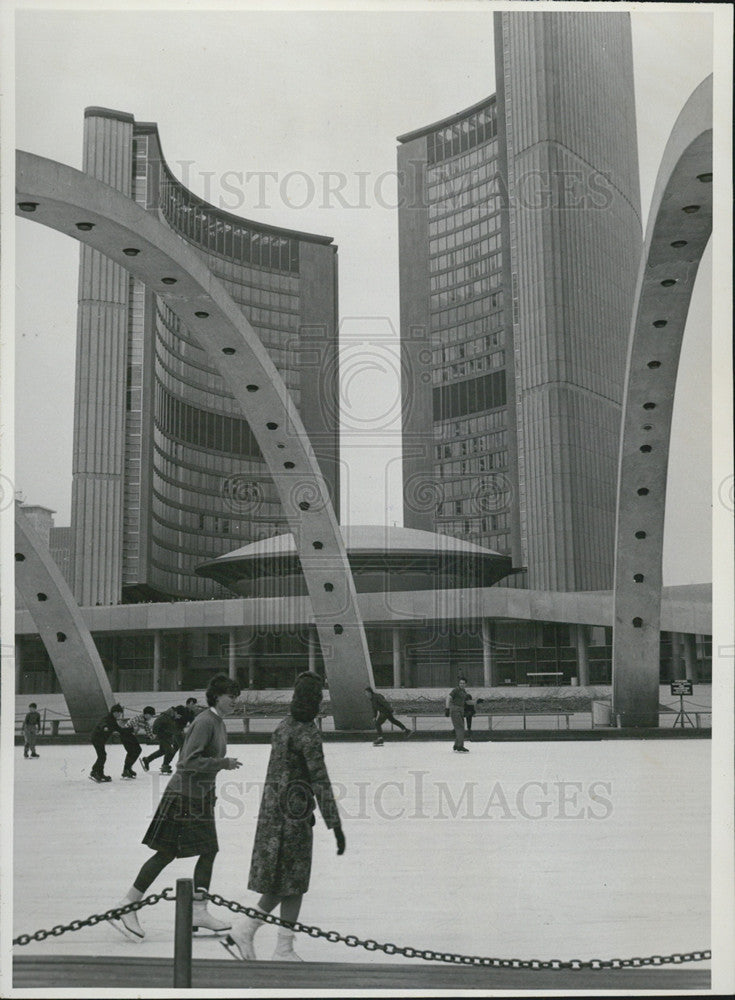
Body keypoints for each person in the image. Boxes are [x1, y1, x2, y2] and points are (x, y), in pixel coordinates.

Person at [111, 674, 242, 940]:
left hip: (197, 797)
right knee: (171, 852)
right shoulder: (206, 721)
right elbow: (188, 763)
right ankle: (131, 905)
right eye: (231, 696)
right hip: (183, 796)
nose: (235, 702)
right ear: (217, 696)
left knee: (201, 850)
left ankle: (195, 910)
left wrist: (210, 795)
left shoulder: (217, 721)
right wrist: (223, 764)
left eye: (236, 697)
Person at [226, 671, 345, 962]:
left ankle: (272, 941)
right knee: (292, 881)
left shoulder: (283, 727)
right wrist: (336, 824)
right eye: (318, 698)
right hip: (292, 820)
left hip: (274, 814)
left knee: (288, 882)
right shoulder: (307, 732)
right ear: (314, 701)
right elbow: (320, 778)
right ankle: (268, 940)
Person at [140, 705, 186, 774]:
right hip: (162, 736)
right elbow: (156, 723)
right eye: (179, 716)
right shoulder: (166, 716)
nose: (179, 717)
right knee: (170, 751)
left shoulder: (171, 716)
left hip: (167, 736)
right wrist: (155, 733)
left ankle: (147, 759)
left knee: (162, 751)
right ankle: (165, 766)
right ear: (176, 712)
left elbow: (172, 727)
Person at [90, 704, 126, 782]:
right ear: (115, 712)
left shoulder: (113, 720)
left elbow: (119, 729)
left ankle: (99, 773)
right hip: (97, 739)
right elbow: (102, 724)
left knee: (102, 755)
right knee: (102, 756)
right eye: (119, 713)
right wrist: (104, 727)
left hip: (100, 740)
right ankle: (94, 772)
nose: (120, 715)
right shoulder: (107, 718)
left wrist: (129, 730)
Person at [119, 706, 156, 778]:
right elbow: (133, 727)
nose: (151, 717)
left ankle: (128, 768)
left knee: (138, 750)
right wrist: (136, 729)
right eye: (151, 715)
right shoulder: (137, 718)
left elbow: (149, 732)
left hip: (131, 736)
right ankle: (126, 770)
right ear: (146, 714)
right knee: (131, 751)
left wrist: (153, 737)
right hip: (125, 734)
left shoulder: (145, 722)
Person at [445, 677, 470, 752]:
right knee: (460, 728)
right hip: (455, 710)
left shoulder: (463, 691)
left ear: (466, 684)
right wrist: (447, 708)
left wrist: (477, 702)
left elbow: (467, 702)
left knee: (459, 728)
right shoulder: (456, 690)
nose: (461, 684)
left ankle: (456, 745)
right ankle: (460, 746)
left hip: (460, 711)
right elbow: (448, 697)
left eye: (463, 683)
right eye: (460, 683)